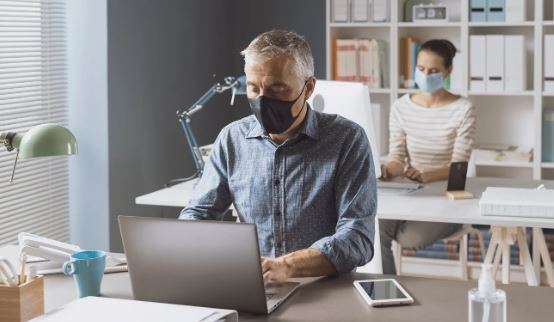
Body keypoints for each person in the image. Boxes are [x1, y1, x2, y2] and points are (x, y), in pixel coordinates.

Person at [179, 30, 376, 283]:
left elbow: (358, 237)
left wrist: (288, 266)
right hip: (254, 285)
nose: (263, 100)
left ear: (309, 88)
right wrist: (183, 243)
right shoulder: (232, 139)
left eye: (277, 89)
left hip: (323, 287)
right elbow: (198, 213)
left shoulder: (347, 140)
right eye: (253, 89)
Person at [380, 39, 476, 275]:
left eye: (433, 71)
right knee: (373, 229)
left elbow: (459, 167)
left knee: (409, 238)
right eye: (421, 69)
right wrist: (387, 169)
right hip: (409, 191)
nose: (426, 75)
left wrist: (427, 175)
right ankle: (385, 290)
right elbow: (397, 158)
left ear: (448, 71)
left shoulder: (463, 108)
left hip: (448, 196)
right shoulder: (401, 106)